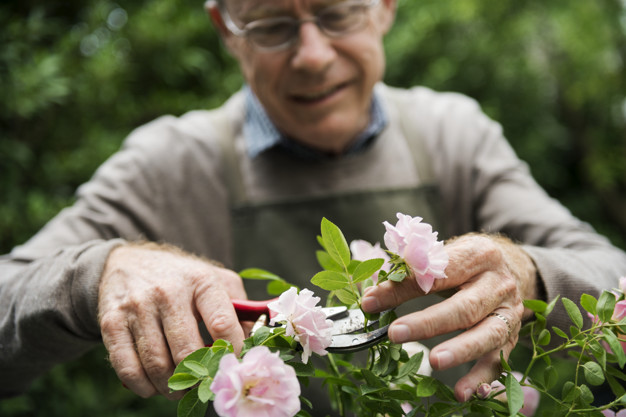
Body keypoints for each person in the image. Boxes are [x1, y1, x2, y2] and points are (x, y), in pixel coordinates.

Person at [1, 0, 625, 414]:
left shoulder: (453, 137)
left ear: (383, 7)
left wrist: (529, 273)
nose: (313, 55)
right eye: (272, 25)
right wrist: (95, 275)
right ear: (226, 30)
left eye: (334, 13)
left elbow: (612, 272)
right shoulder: (167, 165)